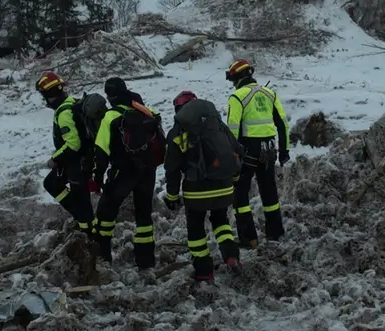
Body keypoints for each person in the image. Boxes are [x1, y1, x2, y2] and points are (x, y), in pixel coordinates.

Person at [163, 90, 243, 283]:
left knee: (196, 229)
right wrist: (234, 177)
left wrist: (172, 196)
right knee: (221, 221)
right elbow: (236, 149)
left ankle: (204, 271)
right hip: (223, 185)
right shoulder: (217, 126)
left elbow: (172, 168)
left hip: (196, 190)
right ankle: (231, 255)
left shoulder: (177, 133)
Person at [91, 76, 166, 268]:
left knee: (106, 213)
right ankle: (146, 261)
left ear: (110, 96)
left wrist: (97, 179)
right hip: (148, 170)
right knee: (144, 216)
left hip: (123, 171)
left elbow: (101, 151)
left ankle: (103, 258)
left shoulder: (111, 116)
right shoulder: (145, 111)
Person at [224, 59, 290, 248]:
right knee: (269, 192)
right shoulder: (269, 93)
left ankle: (249, 239)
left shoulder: (237, 97)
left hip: (247, 151)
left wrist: (232, 157)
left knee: (240, 194)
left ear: (236, 78)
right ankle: (275, 234)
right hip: (269, 149)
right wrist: (284, 151)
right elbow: (283, 124)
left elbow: (232, 131)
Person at [36, 71, 96, 236]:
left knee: (82, 202)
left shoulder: (64, 113)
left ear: (49, 95)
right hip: (80, 161)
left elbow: (73, 144)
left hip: (77, 164)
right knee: (52, 183)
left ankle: (89, 233)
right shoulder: (72, 103)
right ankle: (84, 222)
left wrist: (55, 158)